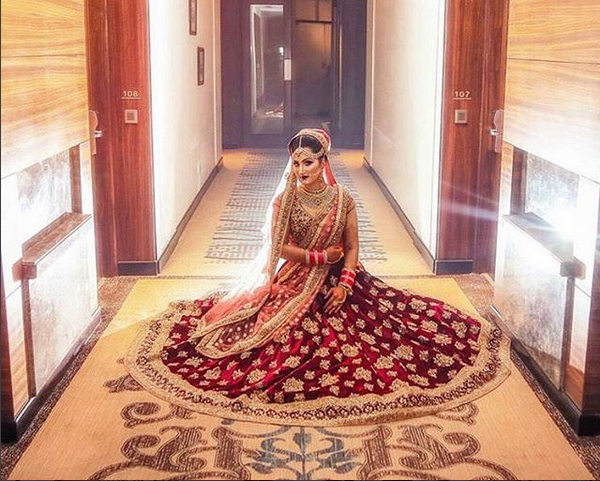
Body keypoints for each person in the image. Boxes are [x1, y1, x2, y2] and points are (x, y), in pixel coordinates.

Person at [126, 128, 510, 426]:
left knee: (391, 330)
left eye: (307, 163)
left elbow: (353, 246)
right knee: (275, 335)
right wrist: (316, 256)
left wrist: (344, 282)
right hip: (297, 275)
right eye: (295, 163)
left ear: (323, 162)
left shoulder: (342, 198)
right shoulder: (284, 199)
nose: (300, 171)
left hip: (342, 278)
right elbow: (277, 249)